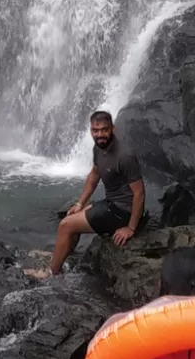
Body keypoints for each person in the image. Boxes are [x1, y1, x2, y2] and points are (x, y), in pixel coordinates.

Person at [43, 110, 146, 276]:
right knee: (71, 219)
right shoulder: (99, 148)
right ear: (91, 130)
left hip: (122, 212)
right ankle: (61, 257)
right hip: (111, 204)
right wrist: (80, 203)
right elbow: (94, 176)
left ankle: (51, 272)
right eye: (95, 131)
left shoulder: (125, 156)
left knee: (65, 225)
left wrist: (131, 228)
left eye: (104, 130)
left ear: (112, 128)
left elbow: (139, 193)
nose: (100, 135)